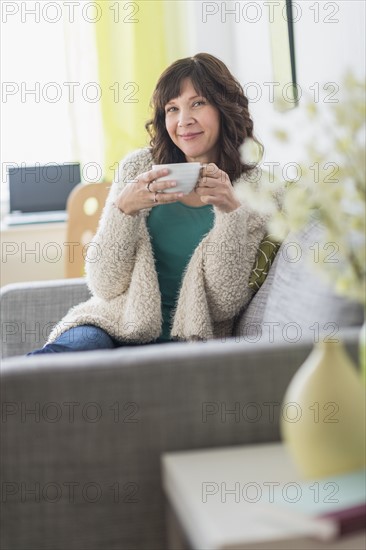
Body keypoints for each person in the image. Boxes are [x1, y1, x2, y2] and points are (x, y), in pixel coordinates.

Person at [28, 52, 268, 355]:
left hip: (191, 342)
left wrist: (231, 212)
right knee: (58, 360)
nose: (184, 121)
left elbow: (224, 302)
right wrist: (123, 211)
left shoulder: (257, 192)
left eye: (198, 103)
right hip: (112, 324)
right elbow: (104, 286)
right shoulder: (137, 168)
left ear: (224, 108)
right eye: (172, 108)